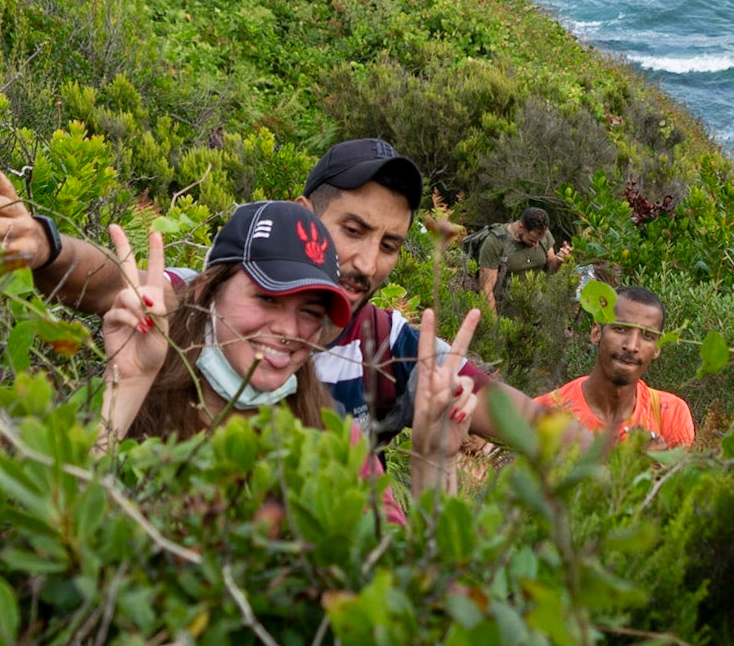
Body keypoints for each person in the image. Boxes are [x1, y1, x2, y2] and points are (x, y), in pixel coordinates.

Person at [0, 138, 540, 447]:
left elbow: (531, 425)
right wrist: (48, 247)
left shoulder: (392, 348)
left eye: (390, 245)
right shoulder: (210, 303)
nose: (366, 263)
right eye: (353, 230)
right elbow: (118, 285)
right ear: (302, 216)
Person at [99, 200, 483, 502]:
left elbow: (399, 581)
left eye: (310, 312)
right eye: (267, 298)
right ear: (205, 291)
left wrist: (435, 463)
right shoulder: (143, 403)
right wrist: (127, 384)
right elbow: (63, 552)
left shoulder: (335, 439)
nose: (288, 330)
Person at [534, 284, 694, 449]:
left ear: (657, 348)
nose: (632, 346)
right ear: (596, 333)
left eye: (647, 336)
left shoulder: (670, 413)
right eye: (621, 329)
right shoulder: (547, 413)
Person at [474, 206, 571, 319]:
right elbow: (486, 288)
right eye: (532, 240)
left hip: (535, 309)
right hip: (504, 312)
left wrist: (558, 261)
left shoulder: (542, 234)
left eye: (539, 241)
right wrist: (494, 326)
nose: (536, 245)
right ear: (521, 227)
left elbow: (550, 268)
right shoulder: (495, 242)